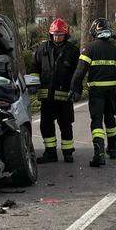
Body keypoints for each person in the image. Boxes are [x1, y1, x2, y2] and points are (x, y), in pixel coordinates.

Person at [70, 18, 116, 167]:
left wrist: (76, 89)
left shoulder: (89, 48)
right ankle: (112, 148)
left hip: (96, 91)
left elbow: (80, 71)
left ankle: (99, 154)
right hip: (111, 91)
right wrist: (115, 87)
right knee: (110, 118)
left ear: (94, 32)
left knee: (96, 121)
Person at [31, 18, 79, 163]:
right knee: (46, 125)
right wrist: (33, 83)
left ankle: (68, 152)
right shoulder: (42, 49)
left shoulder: (72, 51)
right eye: (55, 34)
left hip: (65, 97)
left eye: (60, 34)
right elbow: (34, 68)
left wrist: (76, 90)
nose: (57, 37)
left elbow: (78, 73)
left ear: (66, 35)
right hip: (47, 98)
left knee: (65, 125)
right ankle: (50, 153)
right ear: (50, 35)